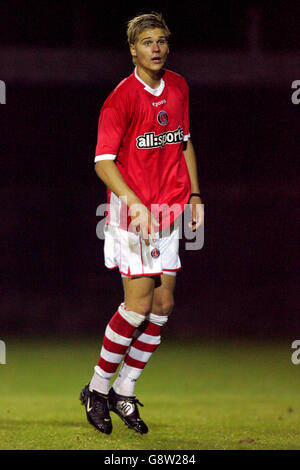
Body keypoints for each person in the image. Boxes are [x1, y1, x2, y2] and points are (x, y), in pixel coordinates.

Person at [80, 12, 203, 435]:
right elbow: (102, 162)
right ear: (133, 49)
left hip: (169, 212)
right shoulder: (121, 98)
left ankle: (124, 390)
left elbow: (183, 141)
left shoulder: (180, 87)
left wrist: (195, 194)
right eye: (147, 41)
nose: (156, 48)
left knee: (163, 306)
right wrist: (134, 202)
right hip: (132, 216)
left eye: (161, 40)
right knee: (136, 309)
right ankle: (97, 390)